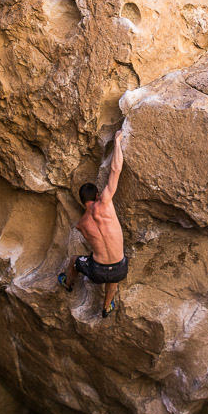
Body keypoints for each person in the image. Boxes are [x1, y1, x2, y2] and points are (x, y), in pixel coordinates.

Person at [58, 130, 128, 318]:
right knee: (113, 278)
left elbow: (89, 235)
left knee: (75, 261)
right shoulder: (105, 202)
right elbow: (115, 170)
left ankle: (67, 284)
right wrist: (117, 142)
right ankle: (106, 307)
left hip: (97, 271)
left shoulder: (81, 224)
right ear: (97, 195)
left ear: (82, 202)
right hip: (120, 268)